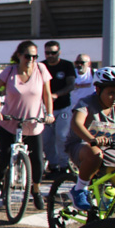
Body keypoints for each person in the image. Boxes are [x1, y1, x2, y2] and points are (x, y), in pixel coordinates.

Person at [0, 41, 55, 208]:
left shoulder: (41, 69)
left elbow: (47, 94)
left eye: (35, 56)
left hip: (33, 122)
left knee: (37, 158)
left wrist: (49, 114)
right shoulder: (9, 71)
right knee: (5, 153)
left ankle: (36, 190)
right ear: (19, 55)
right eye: (27, 56)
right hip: (10, 121)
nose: (31, 59)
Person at [64, 66, 115, 209]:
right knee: (95, 153)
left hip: (110, 148)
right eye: (111, 93)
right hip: (81, 145)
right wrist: (92, 139)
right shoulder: (86, 102)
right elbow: (77, 123)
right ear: (98, 90)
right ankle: (79, 189)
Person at [41, 40, 76, 177]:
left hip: (63, 108)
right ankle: (53, 166)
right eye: (48, 53)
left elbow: (71, 85)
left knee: (61, 137)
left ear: (59, 52)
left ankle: (64, 165)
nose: (50, 55)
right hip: (46, 109)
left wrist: (55, 95)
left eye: (53, 53)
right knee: (47, 139)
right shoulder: (41, 66)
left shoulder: (66, 65)